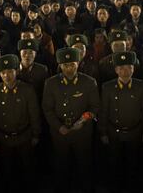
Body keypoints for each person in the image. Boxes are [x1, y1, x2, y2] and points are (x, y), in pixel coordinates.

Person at [42, 47, 100, 193]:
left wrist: (82, 121)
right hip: (59, 133)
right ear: (60, 65)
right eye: (66, 65)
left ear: (78, 63)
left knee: (84, 165)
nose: (69, 68)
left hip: (82, 133)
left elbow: (95, 107)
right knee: (61, 165)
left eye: (72, 64)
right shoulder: (51, 83)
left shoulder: (89, 82)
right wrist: (59, 127)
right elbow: (47, 109)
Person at [0, 54, 41, 193]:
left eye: (10, 71)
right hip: (4, 139)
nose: (7, 75)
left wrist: (36, 134)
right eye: (3, 72)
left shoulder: (27, 89)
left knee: (28, 171)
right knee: (7, 172)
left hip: (24, 137)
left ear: (16, 71)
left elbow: (34, 114)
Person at [99, 51, 143, 193]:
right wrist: (103, 132)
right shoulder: (107, 87)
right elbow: (103, 111)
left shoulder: (141, 86)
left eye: (129, 67)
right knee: (114, 163)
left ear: (133, 69)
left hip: (134, 131)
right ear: (116, 70)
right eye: (121, 68)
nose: (125, 71)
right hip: (113, 131)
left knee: (133, 164)